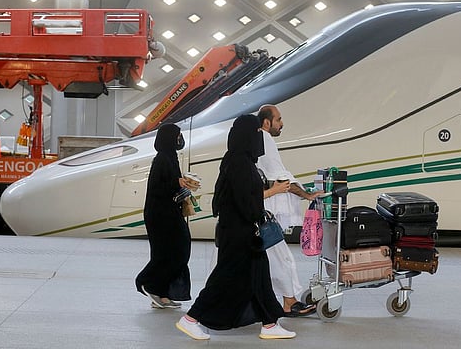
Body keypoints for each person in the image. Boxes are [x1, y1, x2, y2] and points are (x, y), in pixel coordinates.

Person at [176, 114, 296, 340]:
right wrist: (264, 204)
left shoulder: (236, 160)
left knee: (259, 276)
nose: (260, 137)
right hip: (239, 233)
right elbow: (246, 201)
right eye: (257, 132)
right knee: (225, 277)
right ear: (248, 135)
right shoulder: (241, 164)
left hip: (241, 232)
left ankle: (270, 323)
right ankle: (191, 318)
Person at [257, 104, 323, 317]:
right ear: (267, 122)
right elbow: (280, 177)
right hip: (265, 213)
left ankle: (287, 300)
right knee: (281, 258)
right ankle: (289, 302)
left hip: (256, 211)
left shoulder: (254, 140)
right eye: (279, 119)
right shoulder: (264, 139)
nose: (282, 123)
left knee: (272, 259)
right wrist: (307, 195)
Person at [135, 123, 193, 309]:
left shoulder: (170, 158)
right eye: (178, 135)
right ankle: (147, 282)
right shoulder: (162, 159)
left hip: (168, 212)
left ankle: (162, 293)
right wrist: (176, 182)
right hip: (160, 215)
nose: (180, 139)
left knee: (171, 252)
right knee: (173, 252)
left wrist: (181, 184)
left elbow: (169, 185)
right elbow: (157, 188)